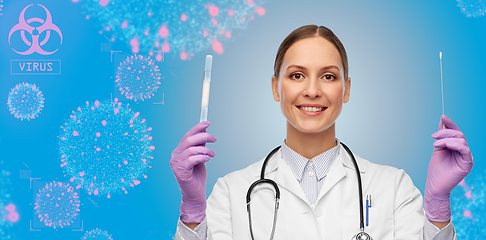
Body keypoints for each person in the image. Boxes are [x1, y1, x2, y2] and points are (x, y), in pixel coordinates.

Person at [169, 25, 473, 240]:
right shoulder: (232, 193)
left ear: (347, 89)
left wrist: (437, 204)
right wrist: (193, 210)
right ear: (276, 87)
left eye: (328, 76)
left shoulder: (394, 189)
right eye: (297, 75)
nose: (312, 90)